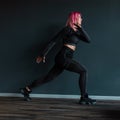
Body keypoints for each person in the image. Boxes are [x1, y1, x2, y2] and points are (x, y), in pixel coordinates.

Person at [20, 11, 96, 105]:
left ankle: (26, 89)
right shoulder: (67, 29)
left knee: (49, 77)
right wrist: (43, 54)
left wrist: (80, 28)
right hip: (63, 57)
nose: (82, 19)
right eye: (80, 17)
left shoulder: (77, 32)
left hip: (66, 57)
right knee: (83, 71)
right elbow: (53, 41)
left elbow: (88, 40)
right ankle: (83, 97)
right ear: (75, 18)